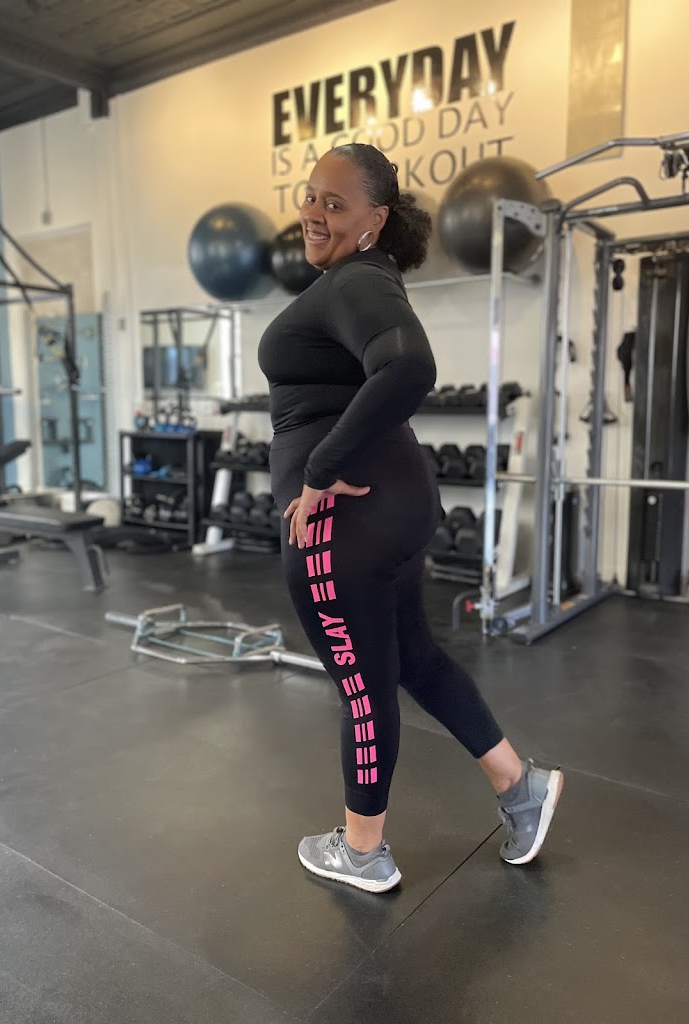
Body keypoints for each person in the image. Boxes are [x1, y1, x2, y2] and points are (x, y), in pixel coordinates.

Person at [258, 143, 563, 893]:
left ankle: (363, 850)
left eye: (334, 203)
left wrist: (318, 471)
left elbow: (409, 367)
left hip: (346, 522)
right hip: (392, 502)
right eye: (310, 196)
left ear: (375, 219)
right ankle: (519, 786)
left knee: (363, 690)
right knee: (414, 658)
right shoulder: (363, 278)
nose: (313, 213)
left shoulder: (356, 279)